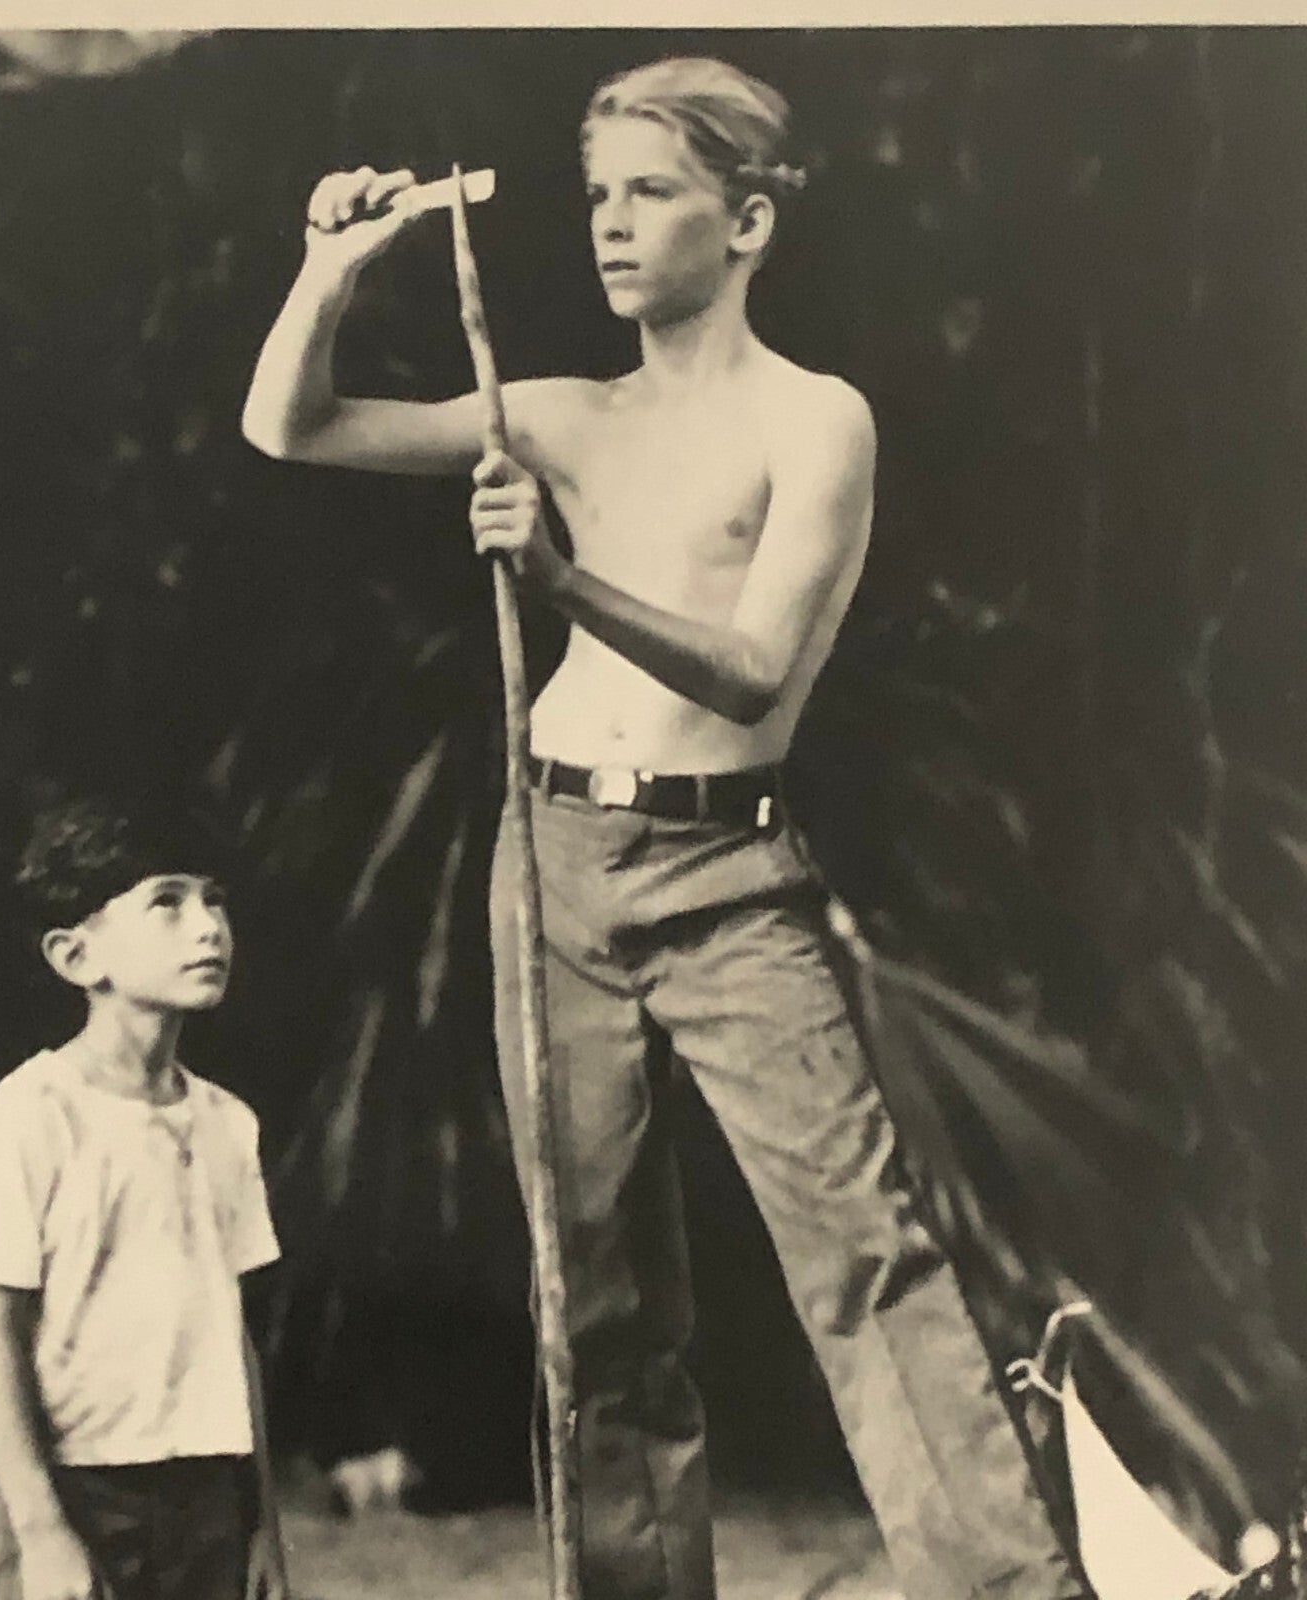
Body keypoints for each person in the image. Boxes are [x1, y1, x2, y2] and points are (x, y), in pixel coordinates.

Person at [242, 54, 1091, 1600]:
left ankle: (1010, 1591)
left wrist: (564, 586)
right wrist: (333, 268)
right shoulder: (561, 410)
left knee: (866, 1259)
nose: (611, 229)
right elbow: (290, 429)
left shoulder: (815, 421)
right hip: (551, 863)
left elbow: (758, 670)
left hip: (727, 873)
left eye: (653, 193)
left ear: (749, 220)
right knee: (598, 1300)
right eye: (595, 198)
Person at [0, 796, 286, 1600]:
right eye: (167, 902)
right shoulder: (33, 1111)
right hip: (76, 1494)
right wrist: (41, 1528)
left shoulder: (228, 1124)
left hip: (206, 1500)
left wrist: (261, 1525)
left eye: (215, 901)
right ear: (75, 956)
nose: (207, 927)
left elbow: (229, 1336)